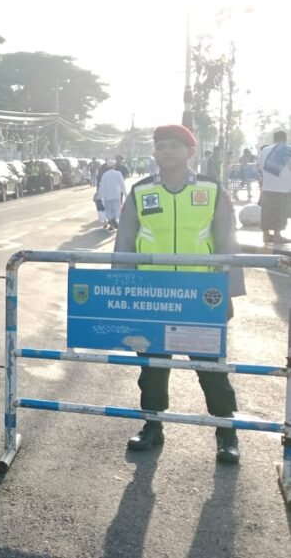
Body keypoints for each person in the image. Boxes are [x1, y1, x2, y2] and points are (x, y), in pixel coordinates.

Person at [114, 124, 244, 464]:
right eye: (160, 146)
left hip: (200, 299)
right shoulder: (140, 191)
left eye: (174, 146)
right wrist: (123, 292)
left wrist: (227, 292)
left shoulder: (211, 189)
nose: (166, 151)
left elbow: (228, 242)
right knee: (152, 367)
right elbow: (125, 243)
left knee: (211, 368)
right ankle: (152, 426)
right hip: (152, 296)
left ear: (190, 152)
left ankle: (226, 433)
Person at [258, 131, 290, 243]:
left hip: (267, 187)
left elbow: (261, 167)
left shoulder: (265, 150)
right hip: (283, 187)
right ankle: (277, 236)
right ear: (285, 139)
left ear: (274, 139)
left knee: (267, 211)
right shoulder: (288, 150)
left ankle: (266, 235)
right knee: (280, 211)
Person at [97, 162, 126, 230]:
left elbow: (102, 186)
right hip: (116, 195)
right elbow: (122, 185)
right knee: (116, 210)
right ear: (114, 166)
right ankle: (114, 222)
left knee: (108, 211)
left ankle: (112, 223)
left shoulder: (105, 175)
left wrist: (99, 195)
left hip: (107, 196)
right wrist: (126, 195)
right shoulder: (118, 173)